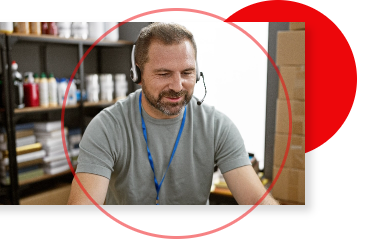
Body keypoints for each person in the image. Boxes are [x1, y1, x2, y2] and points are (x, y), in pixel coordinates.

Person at [67, 22, 278, 205]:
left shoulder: (217, 126)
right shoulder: (106, 127)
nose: (177, 86)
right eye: (163, 74)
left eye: (187, 72)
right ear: (137, 74)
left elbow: (256, 201)